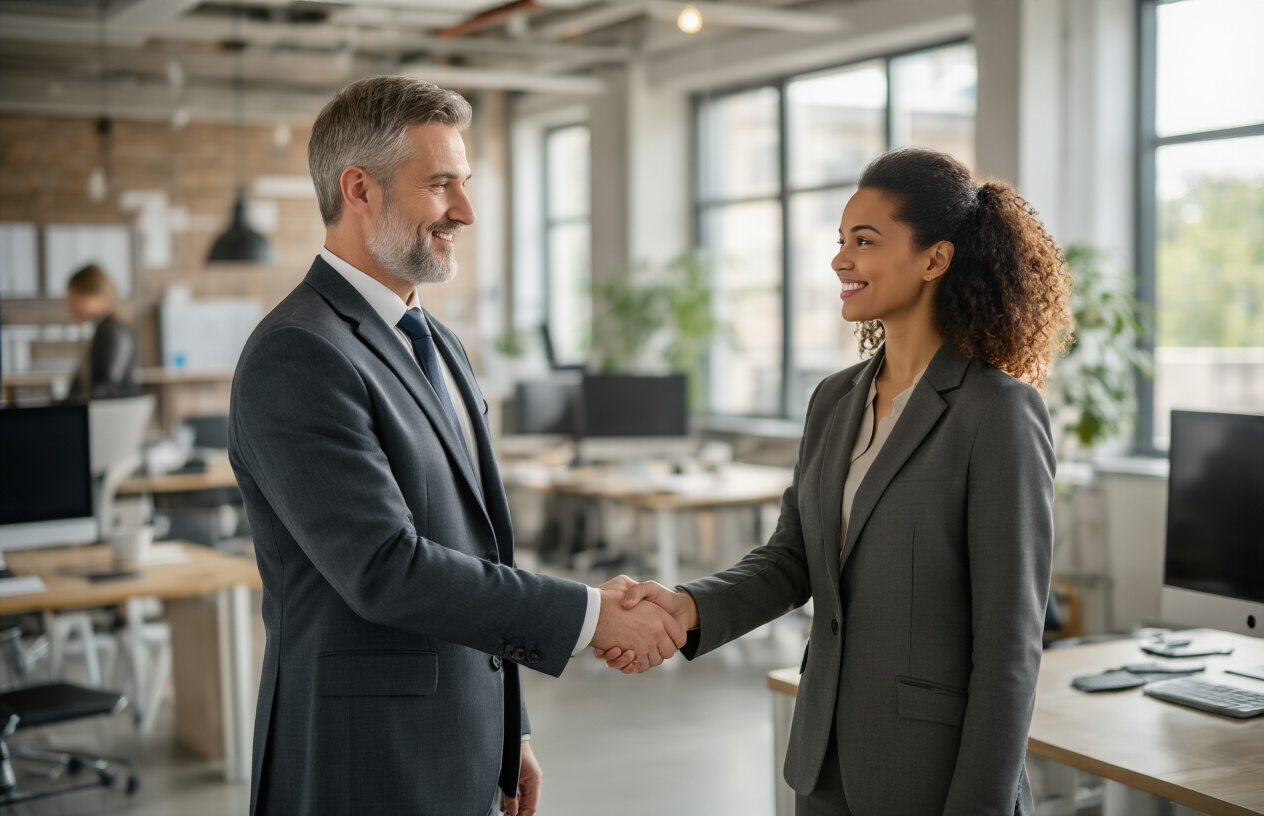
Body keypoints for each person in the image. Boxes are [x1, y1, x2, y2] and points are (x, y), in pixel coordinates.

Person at [227, 76, 685, 816]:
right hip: (361, 758)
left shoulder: (437, 342)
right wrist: (592, 615)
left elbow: (478, 552)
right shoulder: (298, 352)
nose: (465, 212)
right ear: (360, 190)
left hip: (463, 737)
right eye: (441, 185)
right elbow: (385, 568)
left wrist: (511, 727)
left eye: (464, 184)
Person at [599, 148, 1073, 816]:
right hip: (823, 764)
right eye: (841, 240)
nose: (840, 261)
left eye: (865, 241)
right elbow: (793, 558)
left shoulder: (997, 412)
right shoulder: (834, 399)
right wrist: (687, 607)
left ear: (935, 259)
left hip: (933, 777)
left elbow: (1009, 647)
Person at [64, 263, 139, 400]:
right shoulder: (104, 327)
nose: (70, 306)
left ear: (91, 295)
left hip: (114, 410)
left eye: (72, 298)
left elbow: (106, 386)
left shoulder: (112, 331)